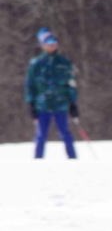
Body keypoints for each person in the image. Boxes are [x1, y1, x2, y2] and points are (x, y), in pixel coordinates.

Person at [24, 27, 79, 159]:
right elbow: (30, 85)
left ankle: (73, 159)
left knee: (65, 133)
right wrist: (31, 104)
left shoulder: (64, 63)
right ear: (43, 45)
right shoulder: (36, 64)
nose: (51, 46)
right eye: (48, 43)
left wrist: (73, 103)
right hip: (42, 105)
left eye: (54, 43)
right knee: (41, 135)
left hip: (61, 104)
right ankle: (38, 160)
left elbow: (71, 84)